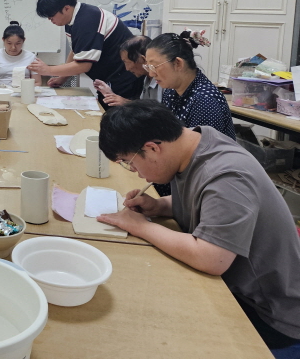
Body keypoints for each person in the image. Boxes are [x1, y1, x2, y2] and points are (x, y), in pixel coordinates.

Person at [96, 101, 300, 356]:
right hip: (241, 291)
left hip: (272, 315)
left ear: (152, 148)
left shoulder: (227, 174)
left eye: (130, 163)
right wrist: (158, 206)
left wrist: (140, 227)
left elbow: (211, 258)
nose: (135, 172)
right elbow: (206, 202)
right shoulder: (194, 142)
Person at [144, 30, 235, 197]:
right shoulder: (171, 90)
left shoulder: (205, 101)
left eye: (154, 66)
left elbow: (201, 162)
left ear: (178, 64)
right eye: (148, 67)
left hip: (204, 188)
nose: (150, 73)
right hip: (179, 177)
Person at [29, 0, 141, 108]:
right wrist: (63, 78)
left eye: (51, 16)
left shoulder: (87, 20)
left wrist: (48, 70)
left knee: (120, 115)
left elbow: (84, 65)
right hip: (108, 79)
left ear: (66, 8)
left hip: (123, 78)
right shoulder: (73, 19)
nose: (50, 20)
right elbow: (76, 51)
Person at [93, 35, 160, 105]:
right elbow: (146, 107)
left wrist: (126, 103)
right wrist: (110, 94)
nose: (127, 68)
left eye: (127, 62)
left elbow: (160, 110)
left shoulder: (162, 81)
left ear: (142, 59)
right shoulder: (146, 79)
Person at [0, 21, 42, 87]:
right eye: (9, 43)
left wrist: (25, 88)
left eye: (18, 43)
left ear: (23, 40)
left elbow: (37, 82)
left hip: (22, 90)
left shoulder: (31, 57)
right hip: (0, 90)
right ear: (3, 40)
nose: (13, 47)